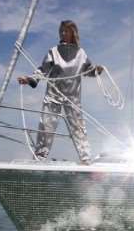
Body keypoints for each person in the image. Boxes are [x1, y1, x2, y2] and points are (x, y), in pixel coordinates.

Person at [18, 20, 103, 164]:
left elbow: (88, 70)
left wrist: (96, 71)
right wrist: (29, 79)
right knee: (46, 126)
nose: (63, 33)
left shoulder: (81, 53)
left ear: (73, 33)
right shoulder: (53, 51)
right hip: (53, 95)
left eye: (66, 31)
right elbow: (42, 69)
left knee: (78, 128)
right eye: (61, 31)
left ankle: (86, 159)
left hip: (72, 97)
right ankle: (39, 158)